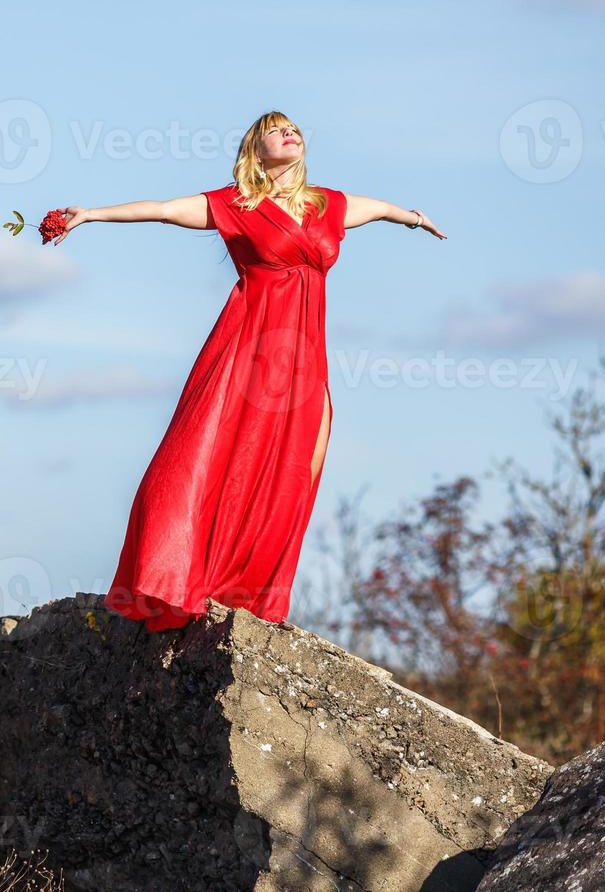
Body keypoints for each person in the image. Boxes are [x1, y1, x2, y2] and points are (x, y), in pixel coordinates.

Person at [50, 111, 446, 632]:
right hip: (252, 345)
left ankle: (253, 588)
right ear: (256, 151)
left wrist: (415, 218)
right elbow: (165, 209)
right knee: (215, 453)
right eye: (277, 131)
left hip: (305, 354)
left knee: (300, 463)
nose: (291, 134)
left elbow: (384, 209)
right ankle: (184, 574)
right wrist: (91, 214)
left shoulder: (328, 204)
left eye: (296, 129)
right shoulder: (235, 205)